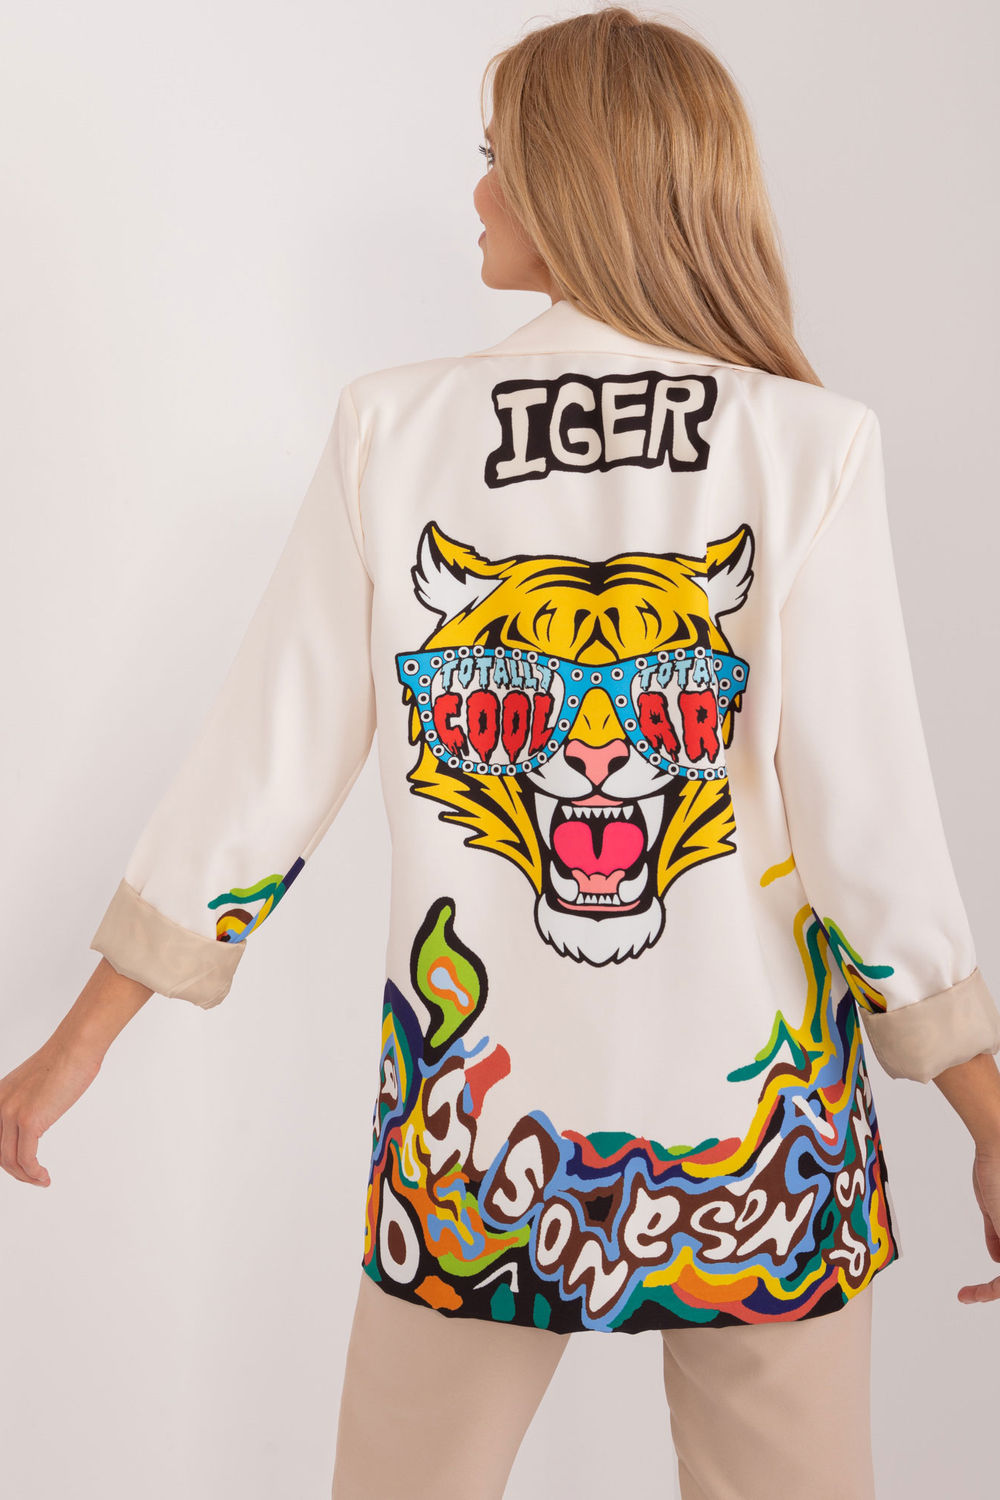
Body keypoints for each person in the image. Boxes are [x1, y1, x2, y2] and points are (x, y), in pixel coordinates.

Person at [3, 6, 999, 1498]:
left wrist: (80, 1040)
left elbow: (263, 768)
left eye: (496, 157)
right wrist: (986, 1108)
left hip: (473, 1141)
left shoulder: (394, 431)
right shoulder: (806, 441)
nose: (476, 191)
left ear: (570, 179)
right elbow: (868, 829)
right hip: (763, 1148)